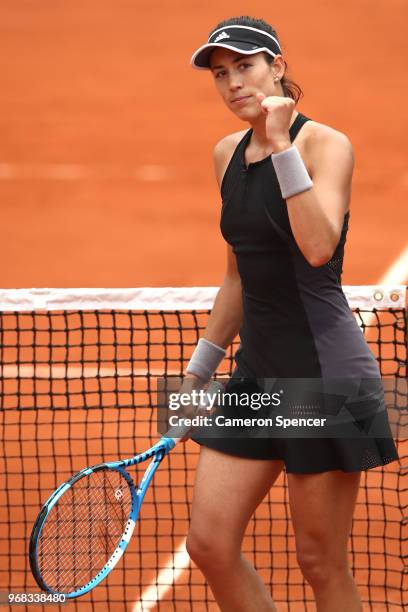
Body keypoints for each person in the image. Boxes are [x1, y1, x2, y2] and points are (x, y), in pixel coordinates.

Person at [180, 15, 399, 612]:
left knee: (319, 561)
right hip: (255, 375)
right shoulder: (225, 153)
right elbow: (237, 275)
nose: (233, 85)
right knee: (209, 543)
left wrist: (280, 146)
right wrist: (197, 374)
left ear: (277, 67)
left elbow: (318, 246)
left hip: (325, 375)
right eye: (221, 75)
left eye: (245, 67)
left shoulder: (326, 145)